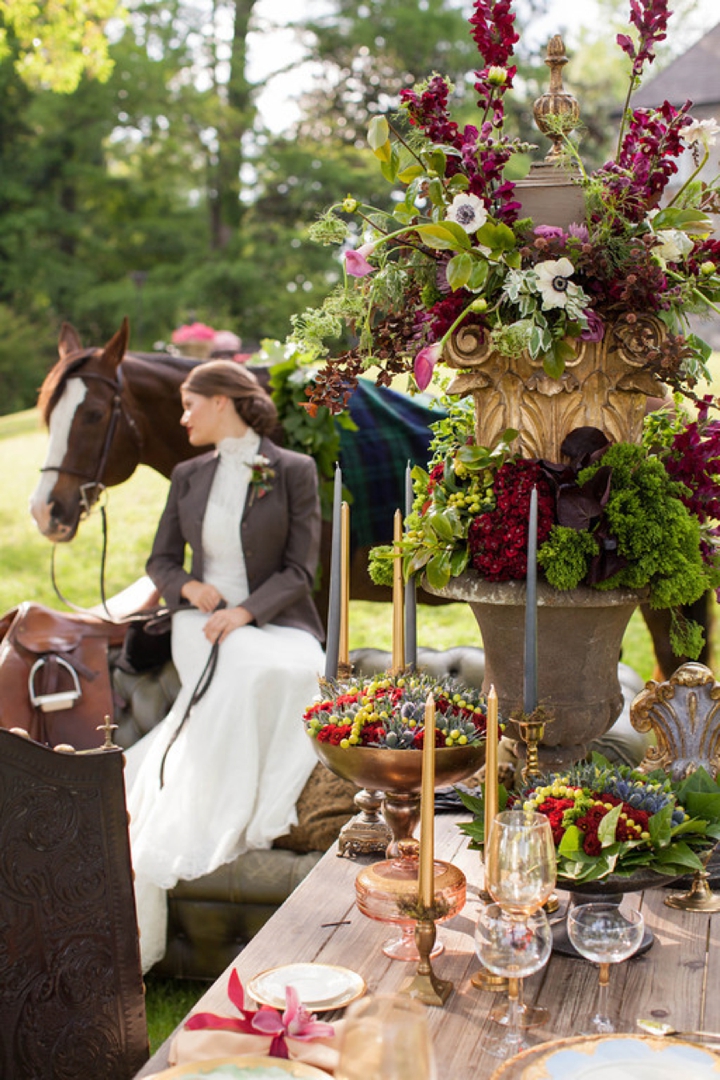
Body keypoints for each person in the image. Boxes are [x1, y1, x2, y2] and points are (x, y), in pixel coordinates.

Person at [124, 360, 325, 972]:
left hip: (278, 622)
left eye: (190, 405)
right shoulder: (186, 476)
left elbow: (301, 569)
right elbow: (161, 560)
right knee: (250, 671)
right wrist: (189, 590)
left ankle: (271, 808)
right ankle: (235, 806)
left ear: (223, 402)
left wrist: (246, 611)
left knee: (294, 670)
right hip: (200, 624)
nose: (182, 417)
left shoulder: (293, 470)